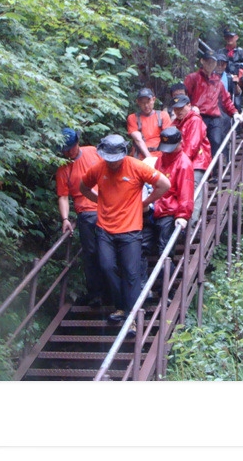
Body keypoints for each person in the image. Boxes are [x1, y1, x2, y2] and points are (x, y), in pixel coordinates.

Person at [79, 134, 170, 334]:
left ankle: (132, 317)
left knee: (131, 273)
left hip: (131, 229)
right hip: (105, 228)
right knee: (107, 266)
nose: (112, 163)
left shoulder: (136, 166)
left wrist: (144, 203)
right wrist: (99, 201)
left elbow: (164, 184)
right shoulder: (98, 169)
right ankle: (120, 306)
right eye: (109, 159)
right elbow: (83, 186)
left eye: (116, 159)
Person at [55, 127, 105, 307]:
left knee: (108, 250)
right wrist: (65, 219)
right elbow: (63, 196)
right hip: (85, 213)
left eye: (70, 148)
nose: (68, 153)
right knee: (90, 253)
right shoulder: (63, 169)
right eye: (65, 150)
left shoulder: (93, 152)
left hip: (106, 208)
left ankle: (112, 291)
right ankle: (96, 293)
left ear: (77, 143)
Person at [141, 127, 194, 289]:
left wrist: (182, 216)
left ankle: (166, 291)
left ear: (179, 143)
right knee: (141, 246)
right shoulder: (161, 159)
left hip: (170, 212)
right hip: (155, 209)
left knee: (165, 250)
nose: (167, 151)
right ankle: (142, 287)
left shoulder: (184, 164)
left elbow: (186, 192)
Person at [184, 49, 242, 160]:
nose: (210, 64)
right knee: (197, 142)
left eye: (213, 62)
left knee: (216, 141)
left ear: (215, 63)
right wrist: (190, 107)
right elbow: (185, 97)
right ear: (202, 61)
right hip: (198, 116)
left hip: (214, 117)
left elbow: (226, 100)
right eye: (207, 61)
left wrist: (235, 113)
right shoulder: (193, 78)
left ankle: (216, 168)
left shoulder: (218, 82)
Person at [171, 94, 211, 228]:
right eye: (176, 109)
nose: (178, 111)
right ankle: (182, 227)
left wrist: (178, 165)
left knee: (193, 192)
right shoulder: (176, 123)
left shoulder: (195, 120)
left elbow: (192, 146)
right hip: (182, 163)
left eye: (181, 108)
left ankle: (192, 227)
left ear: (189, 105)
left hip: (197, 162)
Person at [126, 87, 172, 159]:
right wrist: (149, 157)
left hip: (161, 155)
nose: (146, 106)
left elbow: (169, 137)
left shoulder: (163, 115)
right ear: (138, 102)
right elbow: (138, 139)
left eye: (148, 102)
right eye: (143, 103)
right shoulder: (133, 118)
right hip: (141, 157)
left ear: (153, 100)